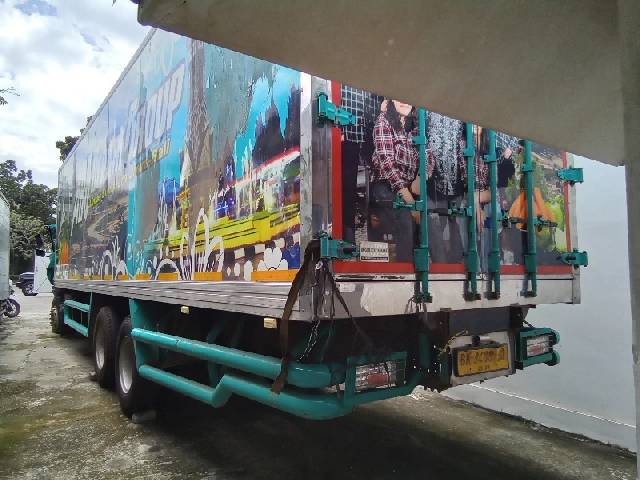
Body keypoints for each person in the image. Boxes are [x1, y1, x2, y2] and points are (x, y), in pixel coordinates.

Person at [369, 99, 419, 262]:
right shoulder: (383, 121)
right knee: (405, 219)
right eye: (399, 97)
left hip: (412, 187)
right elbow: (387, 164)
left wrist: (420, 178)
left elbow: (428, 156)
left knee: (431, 218)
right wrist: (410, 202)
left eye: (408, 98)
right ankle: (405, 270)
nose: (405, 101)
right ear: (390, 100)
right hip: (386, 186)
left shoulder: (415, 127)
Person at [340, 85, 383, 243]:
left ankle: (374, 240)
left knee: (376, 191)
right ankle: (349, 239)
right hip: (349, 137)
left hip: (373, 134)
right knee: (347, 190)